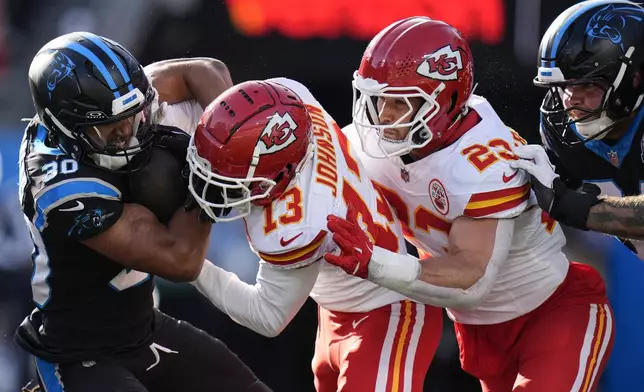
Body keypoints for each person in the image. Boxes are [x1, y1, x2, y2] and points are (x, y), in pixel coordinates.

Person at [325, 16, 614, 392]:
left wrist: (374, 263)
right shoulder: (372, 143)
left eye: (400, 103)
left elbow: (471, 277)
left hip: (554, 315)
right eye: (378, 100)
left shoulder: (480, 163)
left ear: (446, 100)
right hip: (479, 332)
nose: (384, 118)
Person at [15, 31, 270, 392]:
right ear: (65, 128)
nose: (127, 133)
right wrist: (210, 172)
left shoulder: (115, 101)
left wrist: (229, 132)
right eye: (109, 127)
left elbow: (204, 71)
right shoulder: (59, 187)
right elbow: (181, 259)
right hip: (79, 354)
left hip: (144, 329)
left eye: (133, 117)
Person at [189, 78, 443, 392]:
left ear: (278, 174)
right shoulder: (292, 101)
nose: (218, 182)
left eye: (234, 174)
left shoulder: (301, 224)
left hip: (385, 314)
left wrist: (190, 266)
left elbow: (267, 315)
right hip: (335, 311)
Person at [506, 1, 644, 253]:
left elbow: (571, 206)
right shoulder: (559, 127)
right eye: (565, 86)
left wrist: (581, 209)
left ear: (635, 77)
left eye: (587, 84)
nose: (571, 99)